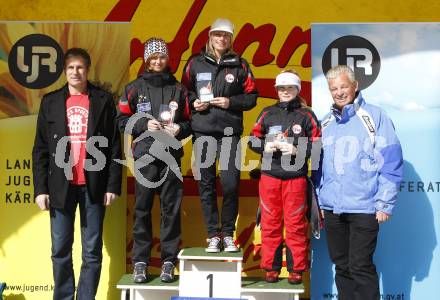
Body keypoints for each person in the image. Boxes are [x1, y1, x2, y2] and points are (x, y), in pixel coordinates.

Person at [32, 48, 122, 300]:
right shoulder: (50, 101)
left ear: (88, 70)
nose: (75, 72)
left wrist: (112, 186)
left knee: (92, 250)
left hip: (94, 184)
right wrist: (40, 190)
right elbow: (39, 149)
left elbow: (115, 145)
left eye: (80, 67)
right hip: (60, 186)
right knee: (60, 249)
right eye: (71, 68)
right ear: (64, 71)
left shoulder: (103, 100)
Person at [316, 65, 403, 300]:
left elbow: (391, 160)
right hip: (332, 209)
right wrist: (319, 204)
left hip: (364, 207)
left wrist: (385, 202)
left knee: (360, 267)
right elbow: (318, 166)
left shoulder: (375, 116)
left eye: (344, 86)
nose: (339, 92)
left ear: (356, 86)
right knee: (342, 267)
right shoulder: (325, 122)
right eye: (334, 88)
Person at [117, 38, 192, 283]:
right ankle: (140, 262)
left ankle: (169, 262)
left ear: (167, 59)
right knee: (142, 209)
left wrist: (179, 130)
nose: (158, 61)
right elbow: (120, 121)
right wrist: (142, 123)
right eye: (153, 58)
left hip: (170, 155)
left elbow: (192, 122)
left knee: (171, 210)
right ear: (146, 61)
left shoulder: (179, 89)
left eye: (161, 57)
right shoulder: (133, 88)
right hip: (145, 156)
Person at [182, 18, 258, 253]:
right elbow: (183, 92)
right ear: (210, 36)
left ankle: (227, 234)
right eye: (217, 35)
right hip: (203, 131)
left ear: (230, 39)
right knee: (206, 184)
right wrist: (194, 103)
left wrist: (230, 102)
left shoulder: (240, 65)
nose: (221, 39)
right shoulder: (195, 63)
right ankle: (213, 234)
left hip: (229, 133)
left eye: (225, 35)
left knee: (230, 184)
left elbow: (252, 96)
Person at [249, 70, 321, 284]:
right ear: (277, 90)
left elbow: (317, 145)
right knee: (270, 223)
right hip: (270, 177)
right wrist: (265, 145)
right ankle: (270, 268)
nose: (285, 92)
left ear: (297, 89)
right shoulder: (268, 113)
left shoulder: (306, 115)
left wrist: (297, 150)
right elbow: (252, 140)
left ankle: (296, 269)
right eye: (281, 88)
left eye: (290, 88)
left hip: (295, 178)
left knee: (296, 224)